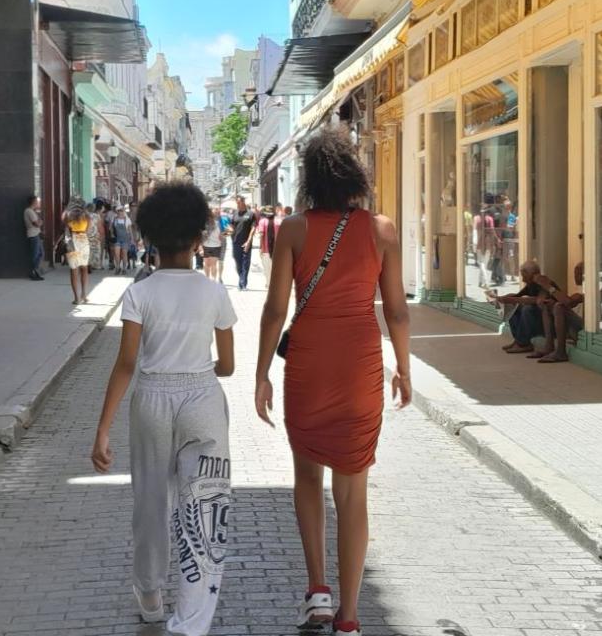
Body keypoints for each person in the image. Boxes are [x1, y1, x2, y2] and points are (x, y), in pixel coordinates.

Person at [255, 127, 412, 636]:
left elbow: (276, 308)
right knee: (353, 491)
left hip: (309, 366)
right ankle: (348, 616)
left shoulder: (294, 231)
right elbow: (397, 311)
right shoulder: (382, 229)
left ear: (308, 180)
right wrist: (404, 368)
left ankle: (316, 593)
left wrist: (261, 376)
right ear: (354, 175)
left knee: (307, 477)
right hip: (361, 366)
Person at [90, 182, 236, 636]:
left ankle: (151, 596)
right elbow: (228, 365)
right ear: (198, 239)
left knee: (151, 501)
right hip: (203, 399)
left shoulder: (140, 294)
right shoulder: (214, 293)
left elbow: (126, 364)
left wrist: (102, 430)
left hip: (151, 399)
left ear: (151, 239)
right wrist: (200, 369)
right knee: (205, 504)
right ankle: (192, 616)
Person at [530, 263, 586, 362]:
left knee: (558, 306)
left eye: (579, 272)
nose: (576, 275)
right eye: (575, 271)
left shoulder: (587, 292)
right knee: (548, 305)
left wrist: (549, 286)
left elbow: (567, 302)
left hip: (583, 331)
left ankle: (561, 352)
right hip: (571, 329)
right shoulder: (579, 289)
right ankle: (549, 347)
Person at [492, 261, 550, 354]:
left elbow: (537, 300)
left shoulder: (543, 282)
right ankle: (518, 340)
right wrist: (502, 299)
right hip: (535, 320)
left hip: (546, 322)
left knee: (527, 309)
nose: (523, 280)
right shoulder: (531, 284)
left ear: (532, 274)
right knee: (512, 307)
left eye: (524, 276)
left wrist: (512, 300)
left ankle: (523, 343)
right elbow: (518, 296)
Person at [62, 201, 91, 305]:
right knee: (84, 268)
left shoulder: (68, 216)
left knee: (74, 270)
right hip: (83, 240)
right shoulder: (86, 216)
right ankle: (84, 294)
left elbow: (66, 228)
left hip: (72, 240)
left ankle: (77, 298)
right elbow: (87, 229)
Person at [230, 197, 257, 291]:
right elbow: (232, 227)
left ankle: (243, 284)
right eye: (236, 203)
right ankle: (241, 279)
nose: (237, 204)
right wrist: (225, 233)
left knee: (245, 263)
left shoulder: (250, 214)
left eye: (238, 202)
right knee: (238, 262)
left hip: (246, 242)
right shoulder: (235, 213)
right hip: (235, 242)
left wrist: (249, 241)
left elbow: (253, 228)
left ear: (243, 202)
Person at [257, 206, 282, 288]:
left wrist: (260, 248)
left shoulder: (262, 221)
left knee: (267, 269)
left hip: (266, 250)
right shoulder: (279, 221)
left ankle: (269, 283)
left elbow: (261, 235)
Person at [24, 196, 44, 281]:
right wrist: (40, 222)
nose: (38, 203)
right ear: (33, 202)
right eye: (37, 202)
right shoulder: (29, 211)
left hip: (36, 234)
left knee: (40, 253)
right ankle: (33, 271)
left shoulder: (32, 211)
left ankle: (35, 271)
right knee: (36, 254)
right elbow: (37, 224)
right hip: (33, 235)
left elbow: (39, 222)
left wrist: (39, 222)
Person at [201, 213, 224, 282]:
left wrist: (221, 237)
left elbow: (223, 234)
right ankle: (208, 279)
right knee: (207, 264)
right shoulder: (204, 225)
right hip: (207, 246)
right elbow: (201, 236)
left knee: (212, 264)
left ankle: (212, 280)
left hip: (215, 246)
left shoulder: (217, 224)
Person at [113, 206, 136, 274]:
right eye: (119, 211)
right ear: (117, 212)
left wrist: (132, 240)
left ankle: (124, 268)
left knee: (124, 254)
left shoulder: (127, 219)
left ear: (124, 211)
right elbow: (112, 228)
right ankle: (117, 267)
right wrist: (111, 233)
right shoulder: (115, 219)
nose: (121, 212)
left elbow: (130, 230)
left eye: (122, 211)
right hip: (117, 238)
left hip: (126, 239)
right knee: (116, 253)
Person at [86, 202, 104, 272]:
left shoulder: (84, 216)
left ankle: (88, 264)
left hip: (86, 235)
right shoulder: (96, 216)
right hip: (95, 236)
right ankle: (91, 265)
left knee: (87, 251)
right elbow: (100, 226)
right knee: (94, 251)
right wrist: (102, 235)